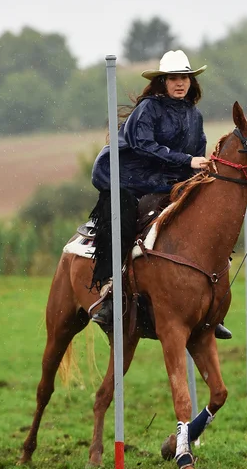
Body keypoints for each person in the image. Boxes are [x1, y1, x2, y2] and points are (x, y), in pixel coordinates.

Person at [89, 49, 232, 340]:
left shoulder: (195, 115)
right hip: (128, 180)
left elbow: (197, 154)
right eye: (174, 78)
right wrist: (187, 162)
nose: (180, 83)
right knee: (123, 219)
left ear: (192, 82)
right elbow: (143, 146)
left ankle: (210, 309)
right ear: (163, 82)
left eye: (185, 78)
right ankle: (109, 292)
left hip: (169, 183)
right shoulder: (148, 109)